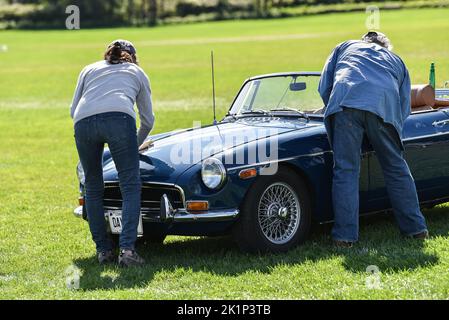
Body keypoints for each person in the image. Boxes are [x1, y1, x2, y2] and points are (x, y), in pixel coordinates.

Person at [318, 31, 428, 248]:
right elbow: (403, 106)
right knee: (396, 169)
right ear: (385, 47)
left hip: (345, 105)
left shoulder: (345, 47)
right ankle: (416, 230)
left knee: (346, 171)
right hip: (383, 110)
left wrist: (334, 107)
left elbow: (324, 87)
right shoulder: (396, 60)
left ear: (364, 42)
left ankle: (344, 237)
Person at [70, 39, 154, 266]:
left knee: (93, 187)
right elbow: (148, 120)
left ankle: (103, 251)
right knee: (130, 185)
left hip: (83, 123)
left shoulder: (89, 69)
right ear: (133, 57)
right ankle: (127, 251)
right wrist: (132, 145)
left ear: (107, 54)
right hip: (120, 119)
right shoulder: (136, 71)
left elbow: (73, 110)